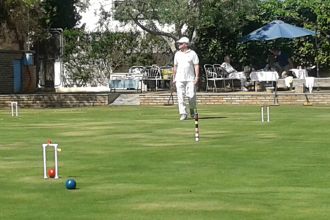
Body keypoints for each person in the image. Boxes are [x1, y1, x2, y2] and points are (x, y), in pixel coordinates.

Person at [173, 36, 200, 121]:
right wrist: (174, 77)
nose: (179, 45)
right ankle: (183, 113)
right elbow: (175, 66)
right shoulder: (177, 54)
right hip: (179, 78)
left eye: (181, 43)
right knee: (180, 96)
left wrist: (197, 77)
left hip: (190, 78)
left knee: (191, 96)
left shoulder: (192, 53)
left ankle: (192, 110)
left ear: (186, 44)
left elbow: (196, 65)